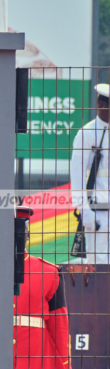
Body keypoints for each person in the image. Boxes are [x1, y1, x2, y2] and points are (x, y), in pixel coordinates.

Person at [13, 206, 71, 369]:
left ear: (27, 235)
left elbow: (60, 328)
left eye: (20, 232)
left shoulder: (48, 272)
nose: (16, 238)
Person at [69, 84, 110, 265]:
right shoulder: (87, 133)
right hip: (98, 211)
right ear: (101, 105)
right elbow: (77, 173)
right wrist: (84, 209)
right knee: (98, 263)